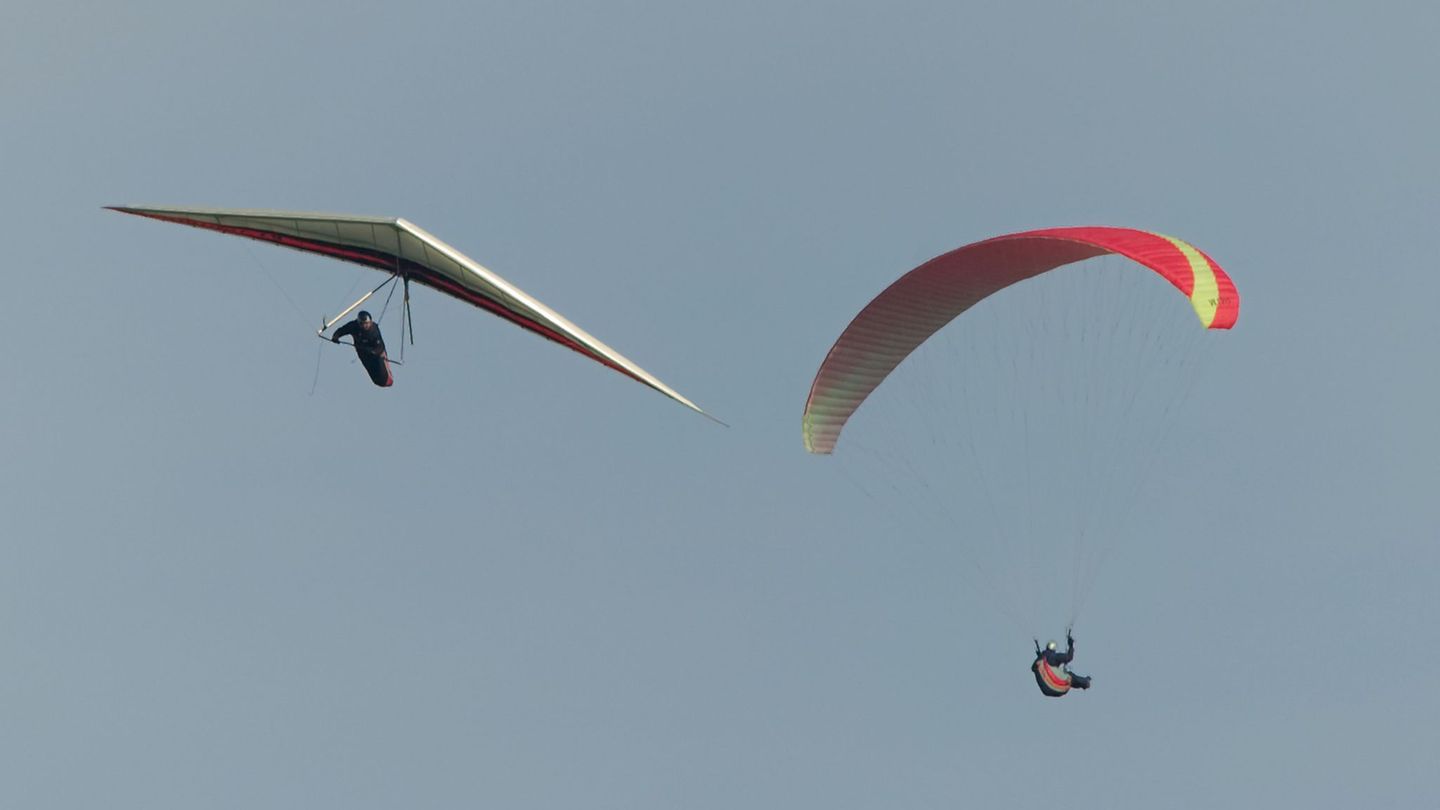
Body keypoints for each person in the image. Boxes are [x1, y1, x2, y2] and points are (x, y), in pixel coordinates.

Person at [331, 310, 393, 387]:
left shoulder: (373, 331)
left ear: (370, 322)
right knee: (377, 380)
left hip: (376, 353)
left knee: (385, 379)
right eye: (362, 324)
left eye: (367, 323)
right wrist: (336, 336)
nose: (365, 326)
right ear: (359, 323)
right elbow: (342, 330)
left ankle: (387, 376)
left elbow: (380, 347)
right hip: (363, 353)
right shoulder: (354, 326)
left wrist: (373, 352)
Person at [1031, 630, 1091, 696]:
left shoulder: (1040, 660)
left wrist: (1039, 657)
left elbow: (1034, 668)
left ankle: (1084, 683)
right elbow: (1069, 657)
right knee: (1070, 676)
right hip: (1057, 687)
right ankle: (1085, 682)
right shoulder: (1054, 656)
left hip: (1045, 690)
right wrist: (1071, 645)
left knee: (1068, 679)